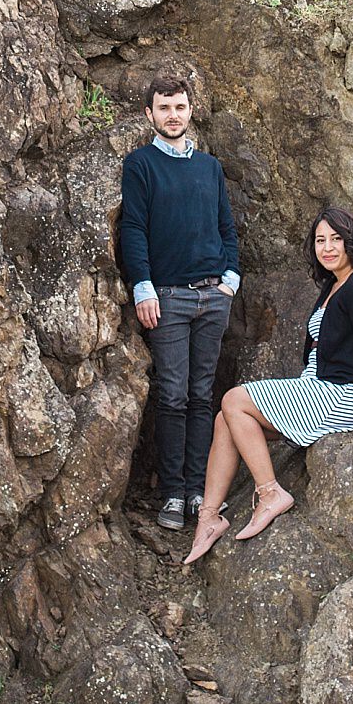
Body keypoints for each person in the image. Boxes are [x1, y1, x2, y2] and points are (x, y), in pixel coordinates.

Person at [184, 204, 353, 563]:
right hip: (316, 388)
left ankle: (271, 494)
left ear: (351, 241)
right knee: (226, 420)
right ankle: (209, 518)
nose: (327, 247)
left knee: (234, 399)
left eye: (336, 239)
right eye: (320, 240)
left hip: (340, 393)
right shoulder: (332, 286)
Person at [119, 72, 241, 530]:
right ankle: (172, 493)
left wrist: (230, 280)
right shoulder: (140, 165)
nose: (173, 115)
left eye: (180, 107)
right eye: (164, 108)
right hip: (167, 297)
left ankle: (198, 492)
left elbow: (226, 227)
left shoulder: (210, 168)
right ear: (150, 114)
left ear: (191, 111)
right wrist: (143, 286)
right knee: (172, 396)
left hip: (214, 296)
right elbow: (133, 228)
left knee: (201, 396)